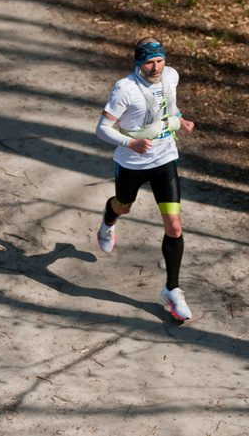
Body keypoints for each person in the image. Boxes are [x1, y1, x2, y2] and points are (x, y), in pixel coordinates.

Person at [94, 36, 195, 321]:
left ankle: (172, 289)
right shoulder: (125, 89)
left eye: (159, 60)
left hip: (164, 159)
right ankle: (109, 218)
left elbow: (169, 108)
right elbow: (102, 129)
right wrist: (130, 144)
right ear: (138, 63)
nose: (155, 67)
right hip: (131, 163)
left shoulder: (171, 76)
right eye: (149, 62)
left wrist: (181, 121)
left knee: (174, 225)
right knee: (123, 205)